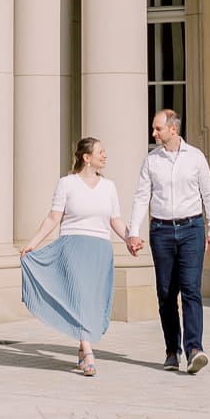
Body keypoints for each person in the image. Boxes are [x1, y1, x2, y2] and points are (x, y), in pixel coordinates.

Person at [20, 136, 133, 377]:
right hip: (73, 247)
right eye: (100, 151)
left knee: (93, 301)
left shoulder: (109, 186)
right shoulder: (67, 184)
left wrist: (130, 239)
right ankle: (89, 351)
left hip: (101, 250)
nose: (105, 155)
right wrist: (32, 244)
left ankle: (82, 347)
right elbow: (53, 217)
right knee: (80, 297)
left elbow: (115, 220)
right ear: (86, 157)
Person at [127, 108, 210, 374]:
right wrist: (134, 231)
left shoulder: (195, 158)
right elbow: (141, 197)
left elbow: (209, 194)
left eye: (157, 129)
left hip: (192, 229)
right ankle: (172, 351)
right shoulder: (151, 161)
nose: (153, 133)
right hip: (162, 232)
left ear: (173, 129)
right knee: (166, 294)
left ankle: (194, 349)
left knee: (191, 289)